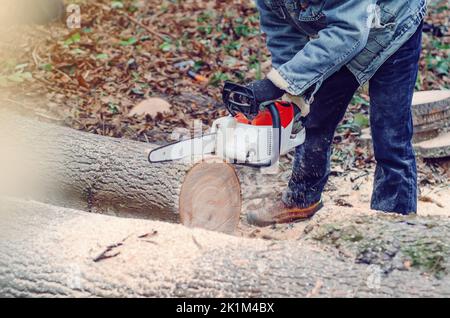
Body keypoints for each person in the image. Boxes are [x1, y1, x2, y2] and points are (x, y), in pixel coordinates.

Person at [246, 0, 427, 227]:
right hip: (344, 28)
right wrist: (289, 85)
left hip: (394, 21)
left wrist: (282, 82)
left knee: (391, 132)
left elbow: (349, 31)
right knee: (316, 114)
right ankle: (302, 199)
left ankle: (394, 220)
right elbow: (283, 35)